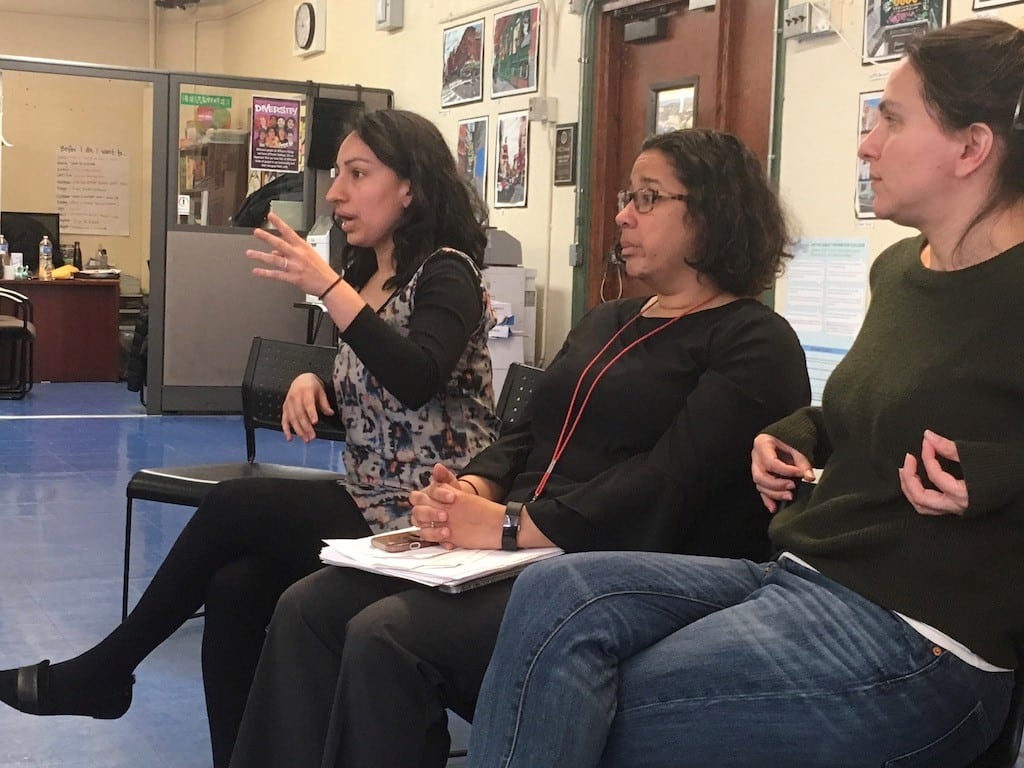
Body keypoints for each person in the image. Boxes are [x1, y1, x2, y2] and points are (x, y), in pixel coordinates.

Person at [465, 18, 1024, 768]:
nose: (866, 143)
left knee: (584, 708)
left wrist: (993, 475)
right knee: (554, 597)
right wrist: (794, 433)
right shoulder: (899, 269)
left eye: (891, 119)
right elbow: (865, 408)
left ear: (971, 147)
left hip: (923, 640)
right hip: (803, 578)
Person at [226, 127, 812, 768]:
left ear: (712, 215)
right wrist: (472, 490)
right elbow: (526, 432)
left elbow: (668, 481)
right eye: (627, 196)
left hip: (618, 563)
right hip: (524, 545)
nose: (622, 214)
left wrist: (511, 526)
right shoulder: (607, 320)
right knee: (308, 607)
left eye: (648, 199)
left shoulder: (754, 341)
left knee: (385, 636)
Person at [0, 109, 500, 768]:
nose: (336, 193)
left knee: (235, 506)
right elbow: (383, 402)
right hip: (371, 498)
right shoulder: (366, 274)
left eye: (358, 175)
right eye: (338, 175)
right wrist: (314, 383)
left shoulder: (447, 272)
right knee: (236, 586)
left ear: (410, 187)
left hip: (433, 513)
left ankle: (107, 668)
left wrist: (327, 290)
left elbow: (417, 377)